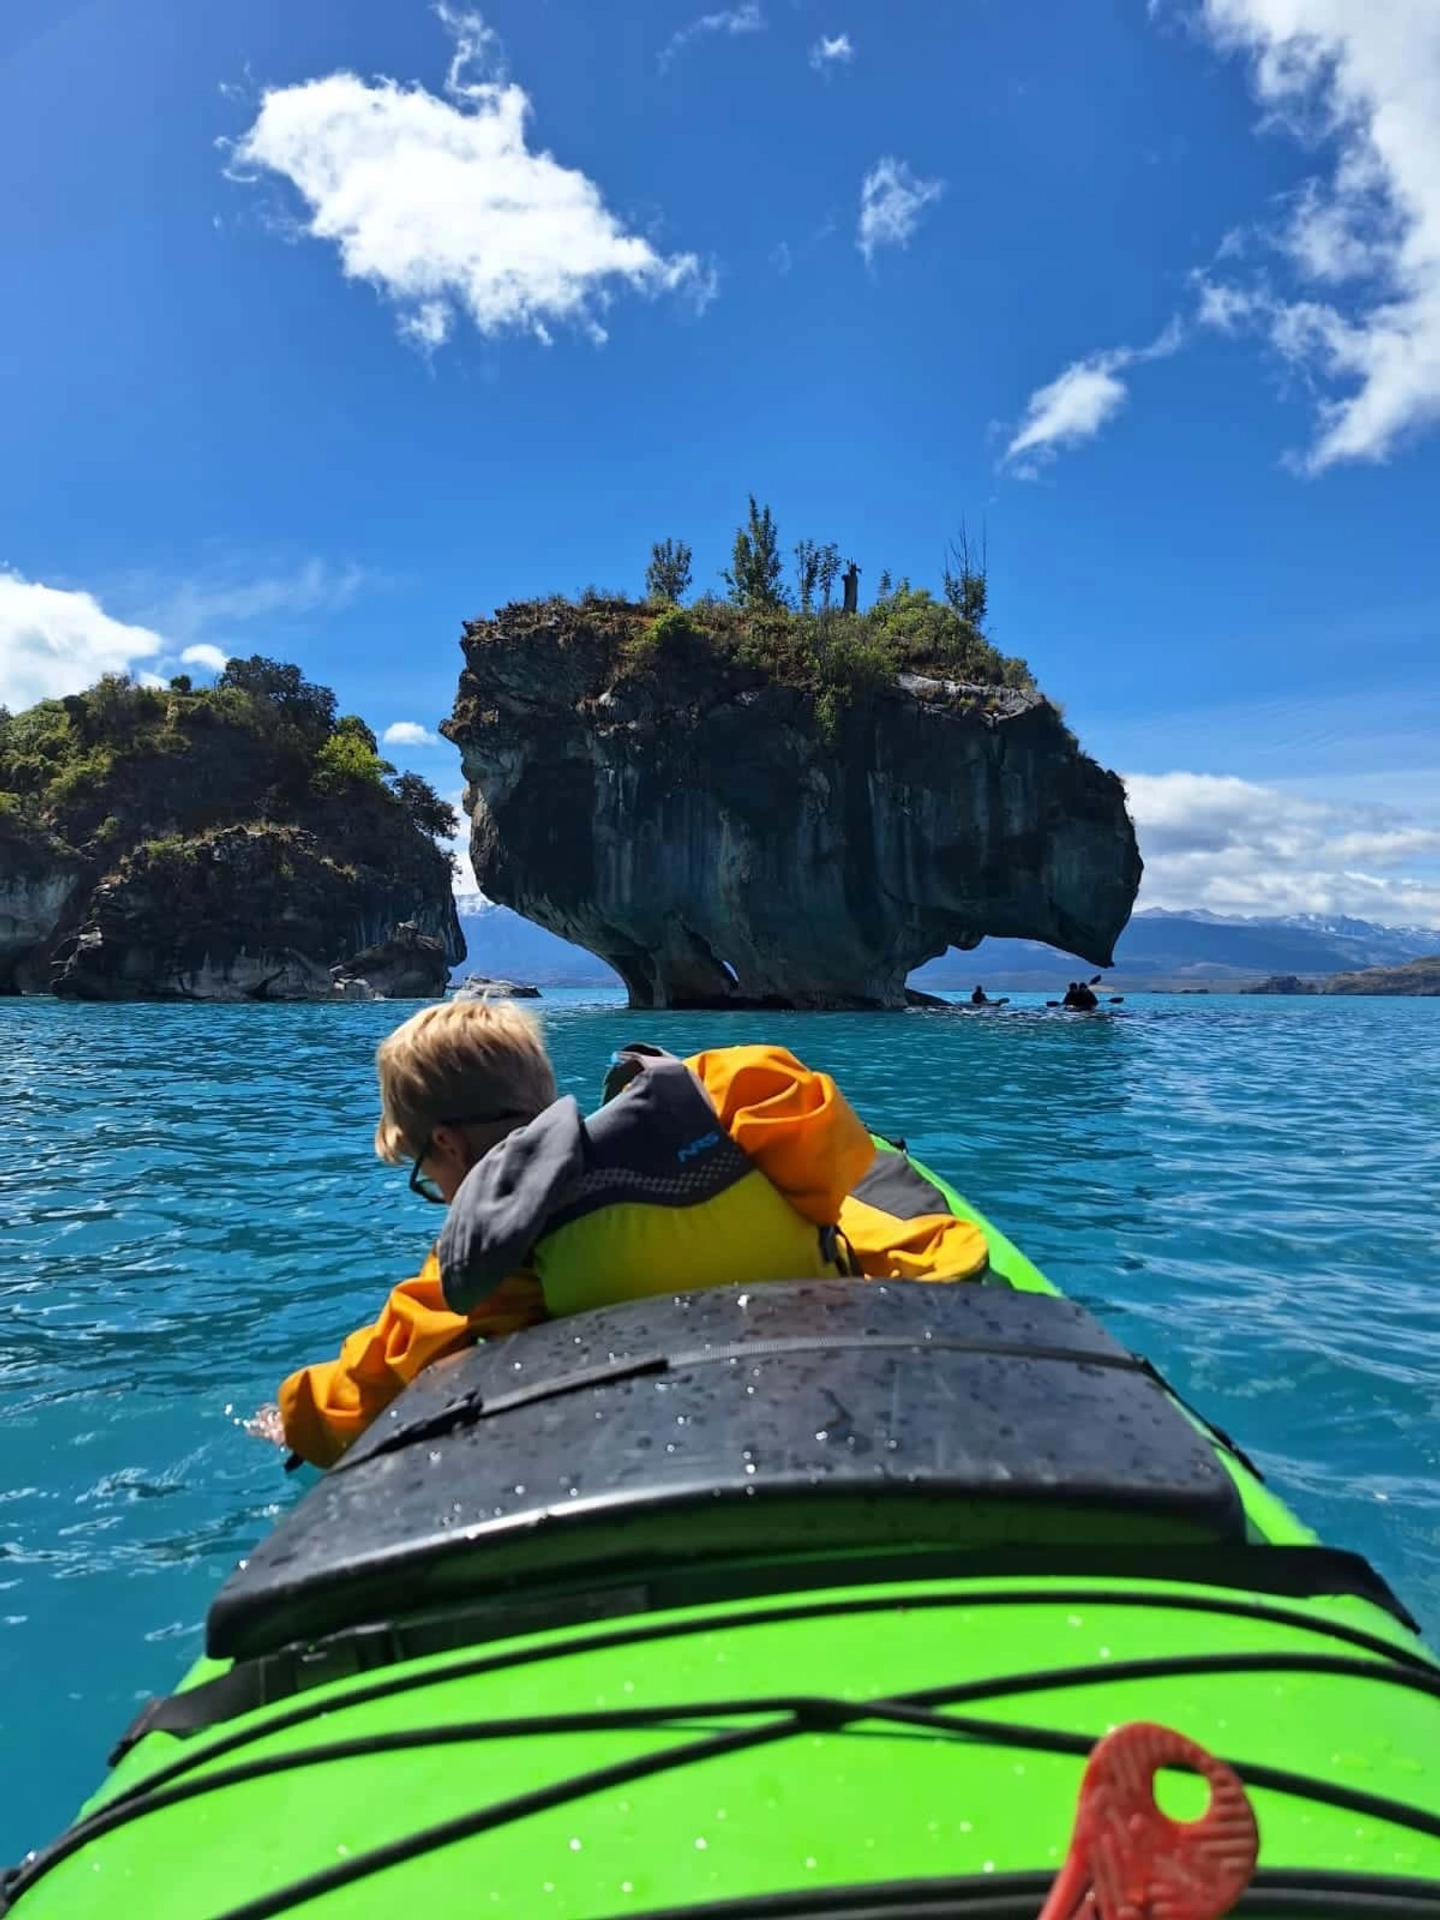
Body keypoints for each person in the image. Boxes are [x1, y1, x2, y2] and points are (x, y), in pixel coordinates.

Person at [256, 1001, 989, 1468]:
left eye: (427, 1175)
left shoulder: (497, 1248)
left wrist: (293, 1420)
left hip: (671, 1437)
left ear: (447, 1146)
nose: (442, 1198)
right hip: (836, 1372)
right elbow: (833, 1170)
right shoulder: (736, 1096)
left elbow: (378, 1372)